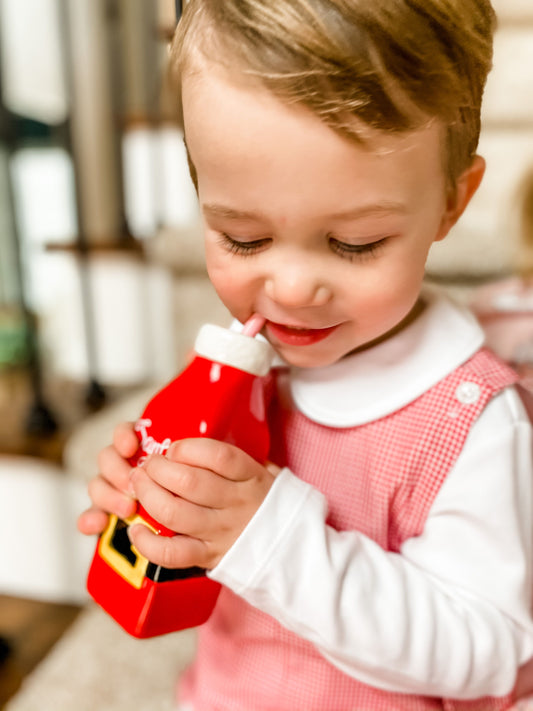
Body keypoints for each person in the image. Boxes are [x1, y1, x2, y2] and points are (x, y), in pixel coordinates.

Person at [78, 1, 533, 709]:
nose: (290, 288)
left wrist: (269, 538)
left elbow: (488, 649)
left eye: (354, 244)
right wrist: (158, 505)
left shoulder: (471, 420)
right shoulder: (243, 367)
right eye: (242, 238)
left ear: (450, 201)